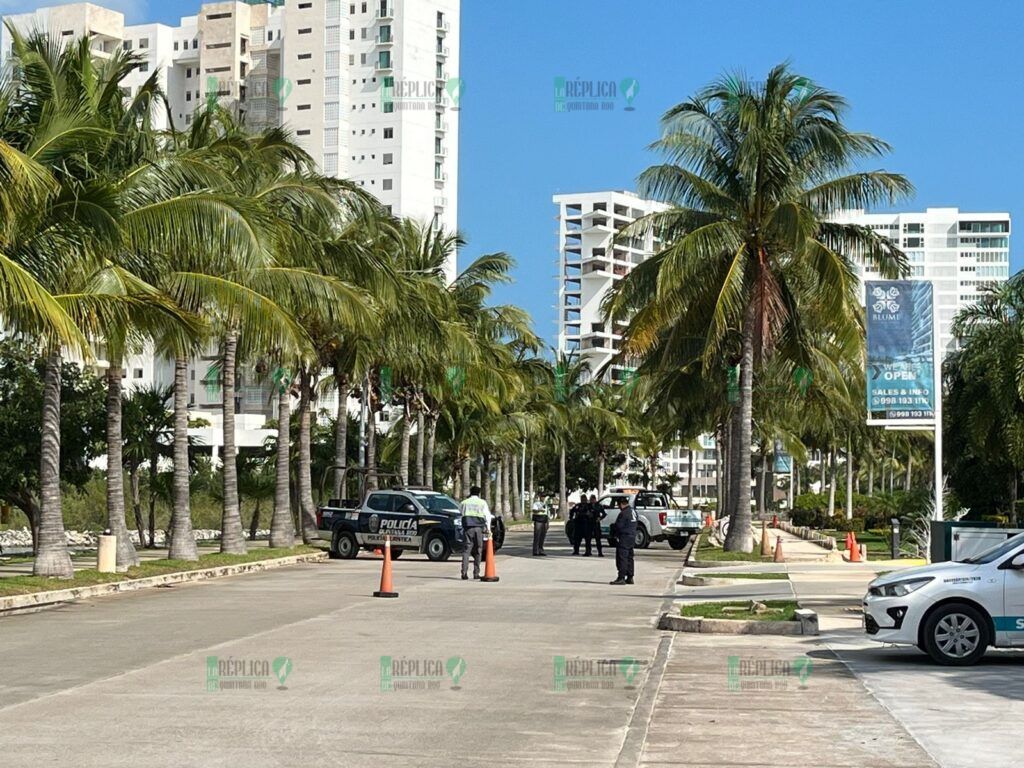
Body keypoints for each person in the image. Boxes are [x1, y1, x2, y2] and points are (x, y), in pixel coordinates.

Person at [459, 486, 490, 580]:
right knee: (478, 550)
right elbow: (487, 516)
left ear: (470, 492)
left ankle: (464, 573)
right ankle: (476, 573)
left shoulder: (464, 502)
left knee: (466, 550)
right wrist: (488, 529)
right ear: (479, 493)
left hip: (467, 529)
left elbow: (460, 512)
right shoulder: (482, 502)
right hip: (478, 529)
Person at [610, 497, 637, 585]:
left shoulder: (623, 513)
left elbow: (619, 526)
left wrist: (614, 531)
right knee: (630, 557)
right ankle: (630, 577)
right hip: (632, 536)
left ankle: (621, 577)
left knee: (622, 557)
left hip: (624, 537)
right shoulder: (633, 512)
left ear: (621, 504)